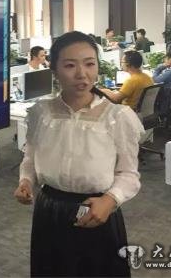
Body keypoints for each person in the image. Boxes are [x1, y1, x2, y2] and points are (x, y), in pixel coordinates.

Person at [14, 31, 142, 277]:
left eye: (89, 64)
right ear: (54, 70)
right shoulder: (41, 113)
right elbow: (30, 158)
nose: (82, 74)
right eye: (70, 65)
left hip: (96, 210)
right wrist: (26, 181)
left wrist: (110, 200)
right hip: (49, 210)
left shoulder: (116, 116)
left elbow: (129, 174)